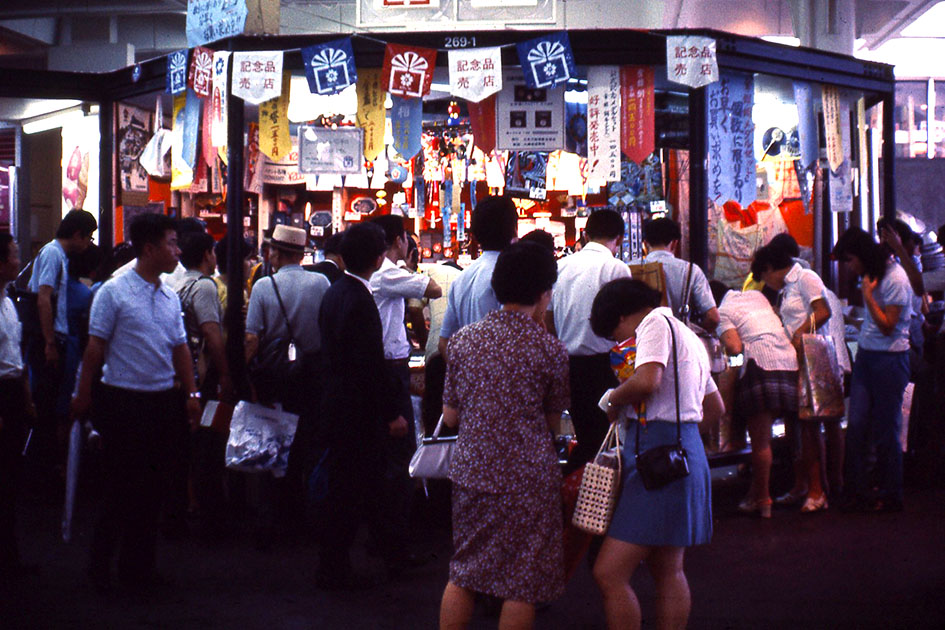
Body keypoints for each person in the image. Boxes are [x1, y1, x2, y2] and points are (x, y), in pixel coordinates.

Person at [438, 241, 569, 630]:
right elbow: (555, 421)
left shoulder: (464, 340)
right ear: (544, 293)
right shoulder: (550, 350)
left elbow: (450, 414)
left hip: (472, 468)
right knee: (521, 581)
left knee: (464, 571)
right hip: (528, 475)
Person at [71, 213, 201, 591]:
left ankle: (138, 570)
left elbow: (180, 350)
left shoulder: (167, 295)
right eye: (172, 243)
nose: (178, 250)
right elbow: (94, 350)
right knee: (119, 491)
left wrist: (191, 394)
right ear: (149, 248)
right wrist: (83, 394)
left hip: (162, 402)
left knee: (152, 492)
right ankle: (99, 570)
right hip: (123, 403)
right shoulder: (113, 292)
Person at [590, 278, 724, 630]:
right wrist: (685, 438)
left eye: (615, 332)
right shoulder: (688, 336)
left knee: (609, 572)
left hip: (654, 456)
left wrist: (612, 398)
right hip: (683, 455)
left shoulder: (653, 323)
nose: (620, 342)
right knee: (669, 569)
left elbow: (648, 380)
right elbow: (716, 407)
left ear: (621, 316)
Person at [317, 222, 408, 589]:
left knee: (348, 489)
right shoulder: (360, 299)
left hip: (338, 404)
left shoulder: (336, 291)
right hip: (358, 412)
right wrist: (391, 413)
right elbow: (370, 364)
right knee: (359, 489)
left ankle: (356, 560)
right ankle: (351, 564)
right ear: (379, 257)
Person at [369, 214, 441, 572]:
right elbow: (434, 289)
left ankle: (384, 536)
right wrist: (410, 266)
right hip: (389, 369)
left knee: (386, 454)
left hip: (383, 368)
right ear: (398, 240)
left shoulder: (377, 271)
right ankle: (394, 542)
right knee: (398, 455)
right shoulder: (388, 272)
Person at [245, 225, 330, 526]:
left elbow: (252, 338)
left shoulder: (263, 287)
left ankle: (277, 514)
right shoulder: (320, 283)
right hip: (313, 376)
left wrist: (242, 375)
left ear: (276, 253)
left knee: (275, 444)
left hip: (276, 378)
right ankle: (307, 514)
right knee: (309, 443)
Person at [833, 227, 913, 513]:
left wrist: (867, 295)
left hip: (890, 360)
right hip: (867, 357)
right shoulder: (871, 274)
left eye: (851, 260)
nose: (849, 267)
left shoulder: (896, 279)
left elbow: (888, 325)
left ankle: (892, 493)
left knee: (886, 428)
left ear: (863, 256)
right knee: (856, 425)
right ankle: (857, 490)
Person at [751, 244, 834, 512]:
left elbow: (823, 312)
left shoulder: (805, 278)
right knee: (796, 428)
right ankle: (801, 485)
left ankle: (817, 490)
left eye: (766, 277)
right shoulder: (787, 289)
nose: (769, 284)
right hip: (795, 362)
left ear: (770, 269)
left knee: (809, 429)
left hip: (811, 359)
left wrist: (798, 334)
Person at [547, 208, 631, 472]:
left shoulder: (561, 266)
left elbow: (548, 318)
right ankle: (587, 498)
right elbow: (626, 324)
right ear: (619, 238)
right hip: (606, 365)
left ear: (585, 234)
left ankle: (577, 494)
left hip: (568, 364)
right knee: (605, 440)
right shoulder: (616, 267)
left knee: (585, 433)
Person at [25, 208, 97, 481]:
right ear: (77, 234)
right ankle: (40, 473)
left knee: (53, 405)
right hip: (51, 340)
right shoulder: (53, 254)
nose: (88, 243)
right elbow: (44, 298)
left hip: (56, 338)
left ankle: (45, 469)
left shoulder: (59, 256)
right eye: (88, 237)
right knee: (47, 408)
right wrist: (50, 343)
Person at [716, 285, 798, 517]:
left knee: (761, 442)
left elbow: (734, 347)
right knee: (785, 437)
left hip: (761, 365)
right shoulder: (757, 298)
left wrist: (731, 371)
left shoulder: (723, 311)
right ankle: (757, 493)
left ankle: (763, 501)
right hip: (789, 363)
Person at [437, 195, 519, 359]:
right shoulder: (511, 275)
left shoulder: (461, 278)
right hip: (502, 379)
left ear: (474, 234)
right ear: (514, 229)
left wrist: (467, 373)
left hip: (471, 379)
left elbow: (444, 342)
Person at [0, 234, 35, 582]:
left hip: (12, 391)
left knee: (9, 479)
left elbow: (15, 357)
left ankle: (9, 556)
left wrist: (26, 397)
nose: (18, 260)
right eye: (12, 255)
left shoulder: (9, 300)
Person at [640, 217, 719, 331]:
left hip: (642, 341)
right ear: (674, 243)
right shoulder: (691, 270)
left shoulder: (630, 268)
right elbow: (713, 318)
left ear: (646, 243)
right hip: (679, 341)